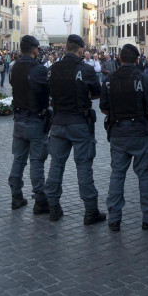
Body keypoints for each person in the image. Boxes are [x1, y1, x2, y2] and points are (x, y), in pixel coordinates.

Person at [43, 34, 106, 224]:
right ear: (79, 49)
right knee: (84, 167)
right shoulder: (85, 70)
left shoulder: (52, 69)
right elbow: (97, 93)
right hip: (79, 122)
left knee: (56, 165)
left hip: (58, 122)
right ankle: (90, 210)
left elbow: (48, 93)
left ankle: (53, 207)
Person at [101, 44, 148, 231]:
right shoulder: (143, 78)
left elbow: (104, 108)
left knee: (117, 174)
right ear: (137, 60)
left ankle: (114, 218)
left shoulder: (109, 80)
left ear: (120, 59)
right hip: (139, 132)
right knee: (145, 175)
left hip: (118, 132)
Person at [8, 35, 51, 213]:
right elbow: (48, 90)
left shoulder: (14, 67)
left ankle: (16, 195)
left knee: (18, 159)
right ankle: (40, 199)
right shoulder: (38, 69)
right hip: (35, 119)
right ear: (34, 49)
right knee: (36, 161)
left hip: (19, 119)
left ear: (20, 49)